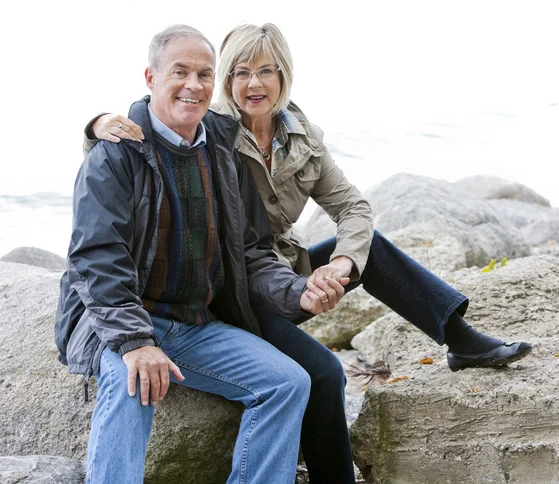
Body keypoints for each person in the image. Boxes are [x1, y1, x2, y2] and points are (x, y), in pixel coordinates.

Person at [86, 23, 533, 483]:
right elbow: (137, 147)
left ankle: (458, 337)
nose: (254, 83)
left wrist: (336, 267)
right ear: (227, 80)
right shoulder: (212, 128)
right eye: (240, 72)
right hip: (231, 287)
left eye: (267, 71)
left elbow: (350, 208)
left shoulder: (297, 135)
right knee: (321, 371)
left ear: (284, 76)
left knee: (368, 250)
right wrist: (96, 126)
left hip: (269, 272)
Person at [55, 24, 349, 484]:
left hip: (196, 324)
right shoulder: (115, 154)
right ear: (150, 77)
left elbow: (250, 251)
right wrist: (135, 343)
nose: (193, 85)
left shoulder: (223, 148)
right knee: (135, 383)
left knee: (289, 383)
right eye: (180, 72)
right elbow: (97, 257)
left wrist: (298, 292)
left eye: (205, 75)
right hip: (120, 322)